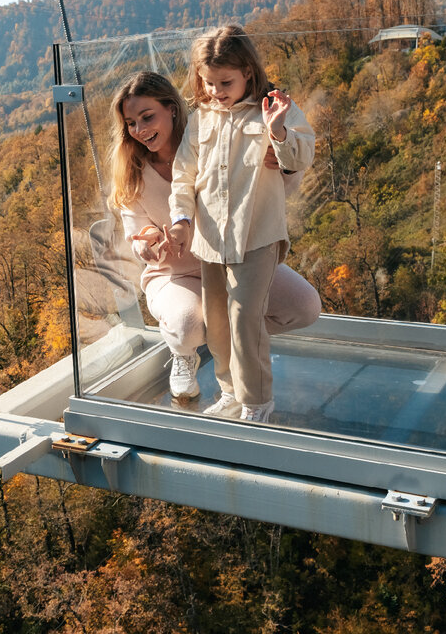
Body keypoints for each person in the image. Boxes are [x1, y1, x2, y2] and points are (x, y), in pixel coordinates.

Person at [108, 69, 319, 405]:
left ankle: (237, 337)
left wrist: (280, 165)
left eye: (147, 117)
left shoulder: (212, 144)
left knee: (305, 306)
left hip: (235, 259)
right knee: (189, 324)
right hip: (175, 273)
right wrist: (146, 242)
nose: (140, 130)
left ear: (172, 109)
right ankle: (184, 351)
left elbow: (282, 190)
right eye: (131, 123)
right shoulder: (133, 172)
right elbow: (137, 230)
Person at [166, 25, 316, 422]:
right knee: (217, 322)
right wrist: (181, 220)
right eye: (208, 82)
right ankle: (231, 391)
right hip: (210, 239)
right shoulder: (201, 119)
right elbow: (184, 175)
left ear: (248, 70)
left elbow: (301, 155)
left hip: (257, 235)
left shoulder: (273, 108)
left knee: (244, 318)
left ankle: (258, 402)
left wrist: (279, 132)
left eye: (224, 82)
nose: (215, 90)